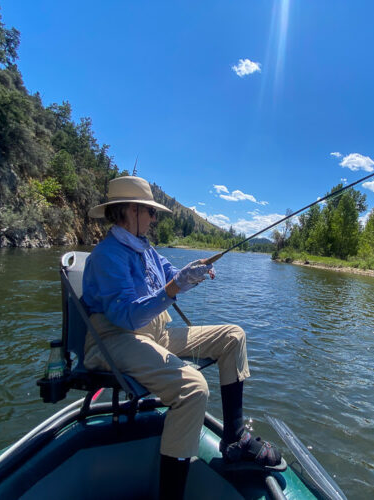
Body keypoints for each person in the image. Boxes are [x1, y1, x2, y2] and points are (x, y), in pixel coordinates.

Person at [82, 176, 282, 499]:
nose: (154, 218)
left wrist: (193, 271)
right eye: (150, 211)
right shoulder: (106, 256)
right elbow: (127, 316)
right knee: (193, 389)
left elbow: (171, 274)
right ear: (130, 210)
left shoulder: (145, 249)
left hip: (154, 333)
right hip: (114, 339)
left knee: (233, 336)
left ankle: (234, 441)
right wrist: (175, 288)